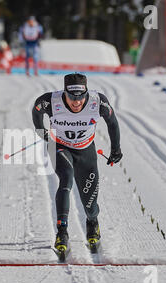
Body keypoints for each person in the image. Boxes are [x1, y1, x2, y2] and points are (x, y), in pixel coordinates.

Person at [31, 73, 122, 254]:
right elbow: (36, 110)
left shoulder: (98, 102)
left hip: (86, 151)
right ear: (64, 93)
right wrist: (42, 133)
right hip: (60, 147)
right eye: (72, 97)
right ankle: (62, 232)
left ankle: (92, 223)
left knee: (90, 205)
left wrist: (115, 150)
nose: (77, 102)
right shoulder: (51, 101)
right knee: (66, 179)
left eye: (81, 97)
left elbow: (112, 123)